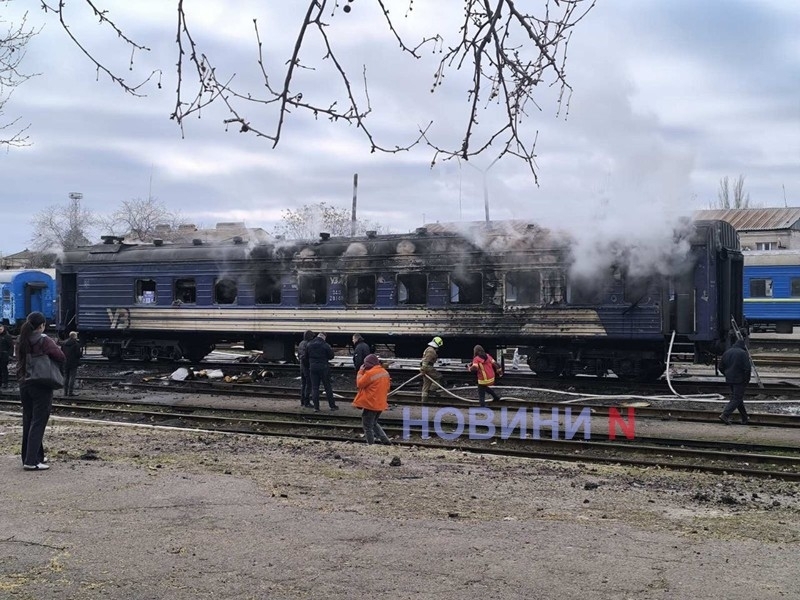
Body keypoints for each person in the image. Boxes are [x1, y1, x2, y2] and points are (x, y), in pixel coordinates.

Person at [16, 311, 65, 471]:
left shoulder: (21, 340)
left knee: (28, 420)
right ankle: (31, 461)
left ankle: (32, 456)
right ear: (42, 325)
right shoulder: (44, 340)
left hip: (24, 383)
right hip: (41, 384)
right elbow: (60, 356)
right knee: (39, 422)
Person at [352, 354, 392, 444]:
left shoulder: (370, 373)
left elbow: (359, 384)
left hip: (370, 404)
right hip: (380, 403)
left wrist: (360, 372)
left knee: (367, 426)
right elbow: (388, 388)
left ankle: (371, 444)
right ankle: (385, 441)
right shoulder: (385, 372)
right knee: (373, 423)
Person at [718, 338, 752, 425]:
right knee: (736, 398)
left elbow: (720, 366)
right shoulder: (743, 353)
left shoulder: (727, 352)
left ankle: (745, 418)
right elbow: (747, 369)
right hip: (740, 380)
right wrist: (747, 380)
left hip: (730, 379)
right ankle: (725, 415)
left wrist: (726, 374)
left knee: (737, 398)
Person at [306, 332, 338, 411]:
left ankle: (316, 407)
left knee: (315, 388)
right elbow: (331, 356)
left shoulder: (309, 344)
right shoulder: (325, 345)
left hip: (313, 368)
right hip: (323, 368)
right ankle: (332, 406)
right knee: (327, 387)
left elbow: (306, 356)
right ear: (324, 337)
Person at [420, 336, 444, 402]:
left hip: (426, 368)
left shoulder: (429, 349)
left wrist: (423, 369)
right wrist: (423, 369)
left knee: (426, 385)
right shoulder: (431, 351)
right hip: (428, 368)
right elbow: (426, 361)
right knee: (439, 377)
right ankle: (432, 389)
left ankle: (424, 401)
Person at [297, 330, 315, 408]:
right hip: (307, 367)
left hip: (301, 366)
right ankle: (307, 402)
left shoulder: (301, 343)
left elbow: (299, 355)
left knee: (303, 384)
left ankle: (302, 401)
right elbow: (306, 356)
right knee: (308, 384)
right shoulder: (308, 344)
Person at [61, 331, 82, 397]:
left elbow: (61, 352)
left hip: (65, 362)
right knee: (72, 377)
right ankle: (70, 392)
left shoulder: (64, 343)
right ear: (75, 336)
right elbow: (78, 354)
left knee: (65, 377)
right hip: (73, 363)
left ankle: (65, 392)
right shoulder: (76, 344)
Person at [0, 323, 14, 388]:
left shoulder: (7, 336)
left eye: (0, 329)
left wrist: (10, 355)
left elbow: (11, 346)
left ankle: (5, 382)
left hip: (4, 355)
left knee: (4, 369)